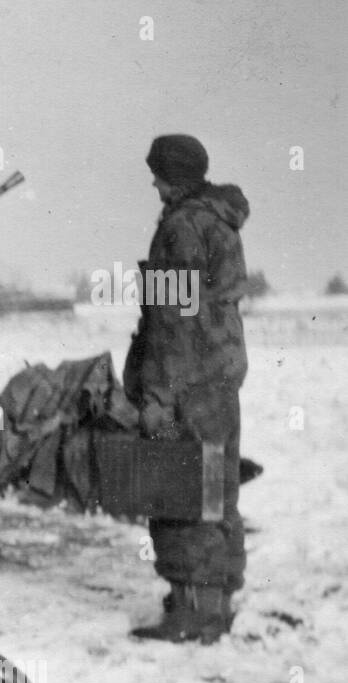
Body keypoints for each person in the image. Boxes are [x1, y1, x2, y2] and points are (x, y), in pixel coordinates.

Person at [126, 135, 249, 644]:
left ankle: (192, 616)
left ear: (173, 176)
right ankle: (211, 602)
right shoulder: (219, 221)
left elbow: (171, 321)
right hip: (218, 377)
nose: (153, 182)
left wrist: (156, 392)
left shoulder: (180, 227)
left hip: (186, 381)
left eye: (158, 173)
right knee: (216, 489)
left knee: (180, 491)